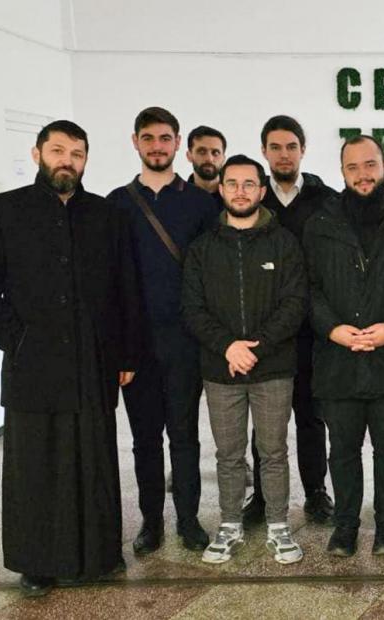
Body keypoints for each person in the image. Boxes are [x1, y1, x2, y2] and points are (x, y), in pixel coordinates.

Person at [0, 120, 141, 596]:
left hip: (93, 361)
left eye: (77, 153)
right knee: (35, 465)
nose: (67, 161)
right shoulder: (2, 211)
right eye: (58, 151)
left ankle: (97, 555)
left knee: (93, 459)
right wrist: (13, 338)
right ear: (37, 154)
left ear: (86, 160)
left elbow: (125, 288)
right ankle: (36, 563)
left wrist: (126, 352)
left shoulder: (106, 215)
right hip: (32, 363)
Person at [182, 154, 308, 565]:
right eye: (232, 183)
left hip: (273, 368)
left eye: (248, 184)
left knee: (273, 452)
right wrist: (228, 347)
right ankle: (230, 524)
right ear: (221, 189)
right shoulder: (202, 248)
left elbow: (295, 303)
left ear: (261, 189)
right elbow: (192, 308)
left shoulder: (284, 243)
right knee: (229, 455)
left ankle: (278, 526)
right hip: (221, 370)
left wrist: (256, 347)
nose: (240, 191)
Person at [108, 106, 217, 554]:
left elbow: (211, 275)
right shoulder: (116, 204)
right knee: (144, 440)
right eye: (149, 138)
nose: (157, 146)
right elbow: (110, 283)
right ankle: (151, 522)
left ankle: (188, 519)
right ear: (135, 142)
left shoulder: (201, 204)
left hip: (185, 341)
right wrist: (119, 349)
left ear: (178, 144)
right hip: (136, 344)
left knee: (185, 436)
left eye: (165, 138)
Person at [304, 135, 384, 556]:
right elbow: (308, 288)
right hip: (339, 357)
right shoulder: (321, 223)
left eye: (370, 164)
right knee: (343, 450)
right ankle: (346, 525)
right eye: (352, 167)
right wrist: (331, 328)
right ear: (342, 172)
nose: (362, 174)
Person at [249, 115, 337, 525]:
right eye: (275, 147)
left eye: (291, 147)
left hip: (312, 330)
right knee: (265, 420)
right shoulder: (254, 198)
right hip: (264, 330)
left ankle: (316, 492)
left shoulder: (325, 199)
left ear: (303, 149)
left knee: (310, 415)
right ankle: (262, 497)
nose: (283, 155)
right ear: (264, 151)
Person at [186, 125, 227, 207]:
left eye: (215, 153)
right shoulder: (175, 200)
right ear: (189, 156)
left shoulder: (236, 199)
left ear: (223, 158)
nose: (209, 159)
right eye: (202, 152)